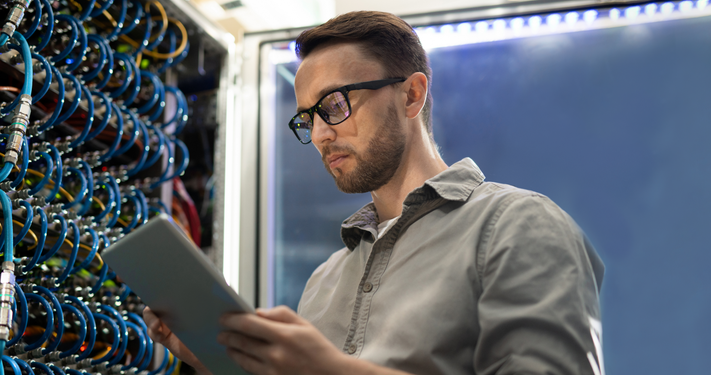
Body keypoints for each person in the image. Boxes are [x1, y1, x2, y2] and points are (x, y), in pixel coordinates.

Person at [144, 10, 605, 375]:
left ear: (411, 95)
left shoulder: (517, 226)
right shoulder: (325, 281)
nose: (321, 135)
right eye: (308, 119)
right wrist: (212, 357)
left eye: (335, 104)